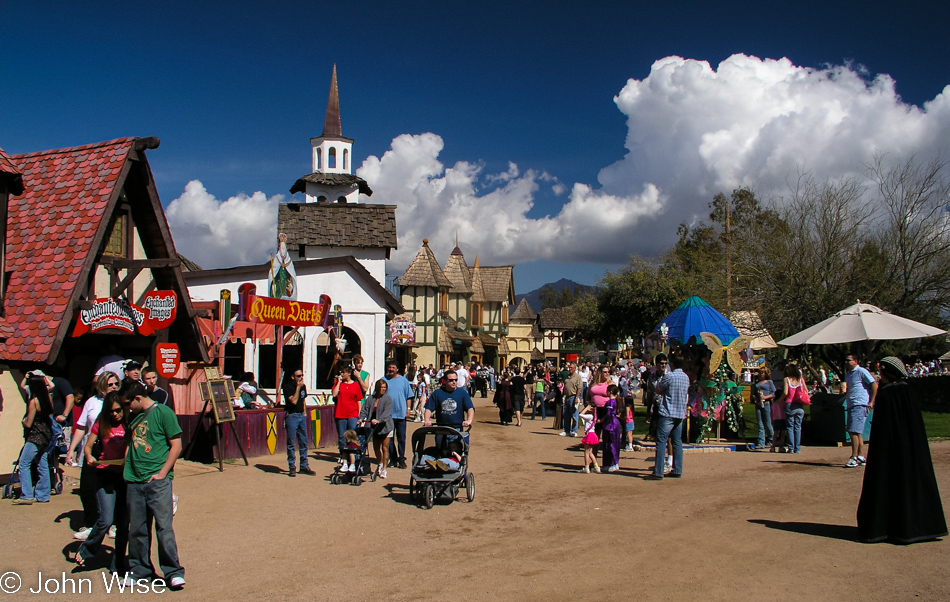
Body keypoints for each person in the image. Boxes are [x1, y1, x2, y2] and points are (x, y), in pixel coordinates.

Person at [857, 357, 948, 544]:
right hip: (911, 449)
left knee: (888, 483)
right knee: (912, 481)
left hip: (889, 449)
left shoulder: (887, 394)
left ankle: (883, 529)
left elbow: (883, 427)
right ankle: (920, 527)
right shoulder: (908, 391)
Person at [121, 381, 185, 589]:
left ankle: (173, 571)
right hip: (134, 479)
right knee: (137, 530)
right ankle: (140, 570)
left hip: (157, 480)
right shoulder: (132, 417)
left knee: (164, 527)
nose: (127, 408)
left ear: (138, 398)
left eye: (129, 403)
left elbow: (176, 445)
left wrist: (163, 473)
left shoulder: (164, 413)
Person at [75, 391, 129, 572]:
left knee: (122, 523)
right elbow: (88, 446)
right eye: (112, 411)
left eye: (118, 410)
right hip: (104, 474)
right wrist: (89, 457)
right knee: (106, 519)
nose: (115, 414)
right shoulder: (101, 423)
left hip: (124, 476)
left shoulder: (129, 423)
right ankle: (87, 549)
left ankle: (118, 562)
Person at [67, 372, 120, 539]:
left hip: (113, 449)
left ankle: (114, 524)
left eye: (115, 384)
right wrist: (71, 449)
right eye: (110, 384)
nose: (113, 387)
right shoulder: (91, 402)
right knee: (87, 488)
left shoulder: (120, 402)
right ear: (101, 385)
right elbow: (82, 427)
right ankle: (91, 523)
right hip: (91, 449)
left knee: (113, 487)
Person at [14, 373, 55, 504]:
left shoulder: (34, 401)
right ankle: (43, 495)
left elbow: (29, 423)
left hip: (35, 436)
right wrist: (46, 380)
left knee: (24, 463)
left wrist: (22, 421)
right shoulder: (47, 398)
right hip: (46, 435)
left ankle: (27, 495)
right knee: (43, 464)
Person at [646, 355, 689, 480]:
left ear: (672, 364)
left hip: (668, 412)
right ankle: (677, 469)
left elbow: (658, 390)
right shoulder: (686, 378)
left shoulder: (669, 377)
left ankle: (658, 471)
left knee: (661, 441)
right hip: (680, 413)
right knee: (677, 441)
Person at [844, 354, 878, 468]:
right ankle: (861, 456)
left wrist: (871, 401)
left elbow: (874, 384)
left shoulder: (861, 371)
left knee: (853, 431)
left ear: (855, 361)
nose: (846, 362)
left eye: (848, 360)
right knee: (856, 432)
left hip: (859, 403)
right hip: (851, 403)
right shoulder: (848, 375)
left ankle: (854, 456)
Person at [358, 379, 393, 479]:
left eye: (385, 387)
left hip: (386, 427)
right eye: (382, 387)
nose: (383, 389)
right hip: (373, 427)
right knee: (376, 447)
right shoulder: (371, 399)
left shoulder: (388, 399)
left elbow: (386, 413)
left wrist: (379, 420)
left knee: (384, 448)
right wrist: (361, 418)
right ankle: (380, 464)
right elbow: (365, 409)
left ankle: (385, 469)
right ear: (377, 388)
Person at [283, 369, 314, 477]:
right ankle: (292, 466)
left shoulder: (303, 387)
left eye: (302, 375)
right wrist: (298, 388)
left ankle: (304, 466)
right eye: (298, 376)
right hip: (291, 416)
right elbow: (293, 401)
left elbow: (303, 400)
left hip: (301, 416)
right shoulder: (287, 387)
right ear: (292, 377)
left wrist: (304, 413)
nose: (301, 378)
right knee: (291, 443)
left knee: (304, 442)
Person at [384, 363, 414, 470]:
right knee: (390, 438)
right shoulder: (383, 380)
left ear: (397, 369)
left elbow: (409, 396)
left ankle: (401, 458)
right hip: (388, 414)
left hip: (401, 413)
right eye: (390, 367)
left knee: (401, 437)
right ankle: (393, 458)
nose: (391, 369)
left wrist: (408, 409)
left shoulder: (403, 381)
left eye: (393, 367)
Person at [782, 364, 809, 454]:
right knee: (798, 427)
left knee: (790, 427)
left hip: (790, 404)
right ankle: (797, 448)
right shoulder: (800, 379)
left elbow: (785, 392)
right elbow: (806, 390)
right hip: (799, 405)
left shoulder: (787, 380)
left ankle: (791, 447)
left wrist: (779, 400)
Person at [600, 385, 622, 472]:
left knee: (610, 444)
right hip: (615, 424)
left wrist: (602, 420)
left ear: (611, 392)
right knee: (614, 443)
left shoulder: (610, 402)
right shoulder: (616, 402)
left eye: (607, 391)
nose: (606, 392)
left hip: (610, 425)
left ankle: (612, 463)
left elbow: (609, 414)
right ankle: (613, 463)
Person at [754, 368, 776, 451]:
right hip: (758, 404)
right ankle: (761, 442)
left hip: (766, 404)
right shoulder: (757, 383)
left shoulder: (769, 382)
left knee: (767, 422)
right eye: (759, 373)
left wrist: (766, 397)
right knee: (760, 423)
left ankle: (771, 440)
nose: (760, 374)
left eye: (762, 373)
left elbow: (774, 393)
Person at [560, 363, 582, 437]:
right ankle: (566, 430)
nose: (570, 369)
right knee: (566, 415)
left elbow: (579, 388)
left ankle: (574, 431)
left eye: (572, 368)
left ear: (575, 368)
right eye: (569, 367)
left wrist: (577, 397)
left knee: (574, 415)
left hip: (573, 397)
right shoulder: (567, 377)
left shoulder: (577, 377)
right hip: (567, 397)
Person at [578, 402, 600, 473]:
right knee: (590, 453)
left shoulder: (590, 416)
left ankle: (586, 467)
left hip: (589, 435)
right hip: (592, 434)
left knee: (586, 452)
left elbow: (580, 415)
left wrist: (586, 408)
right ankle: (596, 466)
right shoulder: (594, 416)